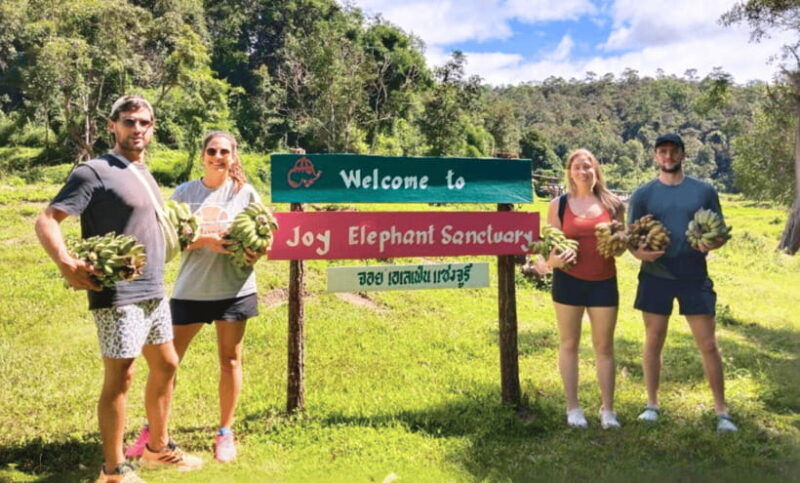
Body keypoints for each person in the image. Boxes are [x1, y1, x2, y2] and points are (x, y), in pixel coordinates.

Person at [35, 95, 202, 482]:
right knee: (121, 377)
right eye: (129, 122)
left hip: (153, 290)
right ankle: (113, 470)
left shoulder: (141, 171)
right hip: (118, 294)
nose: (137, 129)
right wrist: (65, 261)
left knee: (167, 364)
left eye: (144, 122)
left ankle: (157, 449)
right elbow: (47, 219)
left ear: (153, 127)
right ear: (113, 126)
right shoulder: (94, 171)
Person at [125, 131, 264, 463]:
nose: (218, 156)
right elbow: (166, 240)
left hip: (235, 289)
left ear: (234, 156)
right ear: (202, 154)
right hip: (191, 291)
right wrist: (206, 242)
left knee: (230, 361)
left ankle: (225, 433)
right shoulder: (186, 193)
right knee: (166, 366)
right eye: (212, 150)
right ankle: (153, 431)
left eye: (225, 152)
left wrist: (253, 250)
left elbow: (264, 235)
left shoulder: (245, 193)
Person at [628, 133, 738, 433]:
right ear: (655, 156)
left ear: (682, 155)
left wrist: (712, 245)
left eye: (673, 151)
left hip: (694, 274)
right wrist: (640, 253)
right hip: (655, 276)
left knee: (708, 343)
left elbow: (719, 232)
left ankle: (722, 412)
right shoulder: (643, 194)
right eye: (662, 151)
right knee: (653, 340)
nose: (667, 156)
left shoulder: (703, 191)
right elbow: (630, 238)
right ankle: (652, 405)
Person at [545, 149, 624, 429]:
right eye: (578, 167)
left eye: (588, 167)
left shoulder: (612, 203)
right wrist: (550, 261)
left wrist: (618, 243)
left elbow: (620, 247)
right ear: (570, 171)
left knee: (604, 347)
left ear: (596, 170)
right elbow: (550, 244)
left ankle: (608, 410)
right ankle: (573, 408)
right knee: (569, 343)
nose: (583, 171)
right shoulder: (559, 205)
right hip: (568, 281)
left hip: (603, 281)